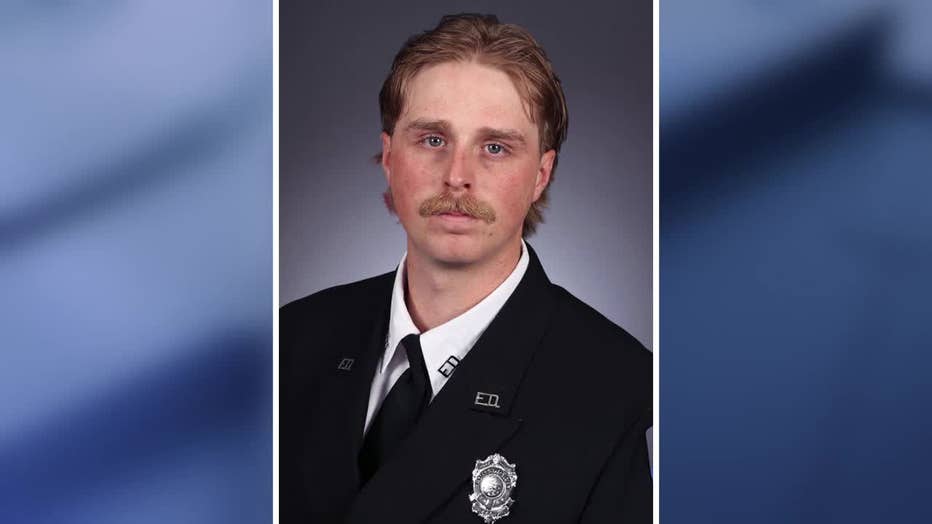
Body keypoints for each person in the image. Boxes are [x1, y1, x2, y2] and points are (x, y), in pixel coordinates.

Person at [281, 13, 651, 523]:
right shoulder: (293, 340)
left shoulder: (618, 389)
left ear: (541, 175)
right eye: (433, 139)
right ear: (389, 157)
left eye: (495, 147)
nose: (457, 176)